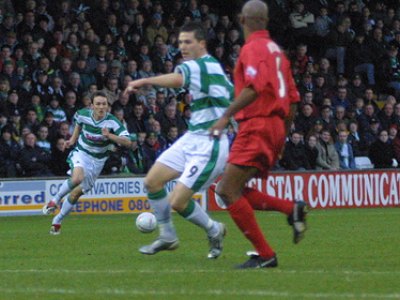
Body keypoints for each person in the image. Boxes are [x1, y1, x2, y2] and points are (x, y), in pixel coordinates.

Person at [209, 0, 307, 269]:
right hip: (275, 125)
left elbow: (253, 87)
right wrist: (282, 137)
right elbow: (295, 100)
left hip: (257, 123)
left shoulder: (253, 48)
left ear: (242, 20)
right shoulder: (278, 52)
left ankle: (265, 254)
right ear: (266, 20)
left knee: (226, 190)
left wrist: (226, 115)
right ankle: (291, 209)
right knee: (234, 188)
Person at [124, 21, 232, 259]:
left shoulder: (201, 65)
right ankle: (168, 235)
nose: (182, 46)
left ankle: (214, 230)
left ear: (201, 44)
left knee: (178, 201)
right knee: (152, 182)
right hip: (192, 137)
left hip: (210, 144)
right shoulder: (213, 69)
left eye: (188, 42)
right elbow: (233, 96)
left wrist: (143, 81)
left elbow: (176, 79)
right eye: (180, 42)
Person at [42, 91, 131, 234]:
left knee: (76, 194)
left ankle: (57, 220)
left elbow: (127, 142)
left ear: (107, 106)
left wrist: (110, 135)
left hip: (98, 161)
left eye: (104, 104)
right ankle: (54, 200)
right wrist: (72, 140)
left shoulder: (112, 121)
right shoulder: (82, 114)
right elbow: (78, 124)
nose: (101, 107)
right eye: (98, 104)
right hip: (82, 152)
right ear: (92, 106)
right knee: (77, 178)